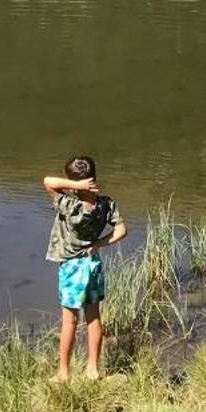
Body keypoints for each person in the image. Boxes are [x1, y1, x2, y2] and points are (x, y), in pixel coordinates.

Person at [41, 154, 127, 381]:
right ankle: (92, 368)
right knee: (93, 317)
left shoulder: (69, 204)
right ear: (95, 177)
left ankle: (63, 372)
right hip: (92, 264)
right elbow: (121, 231)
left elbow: (48, 181)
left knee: (69, 320)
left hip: (71, 267)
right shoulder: (105, 204)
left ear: (76, 183)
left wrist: (75, 186)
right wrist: (99, 243)